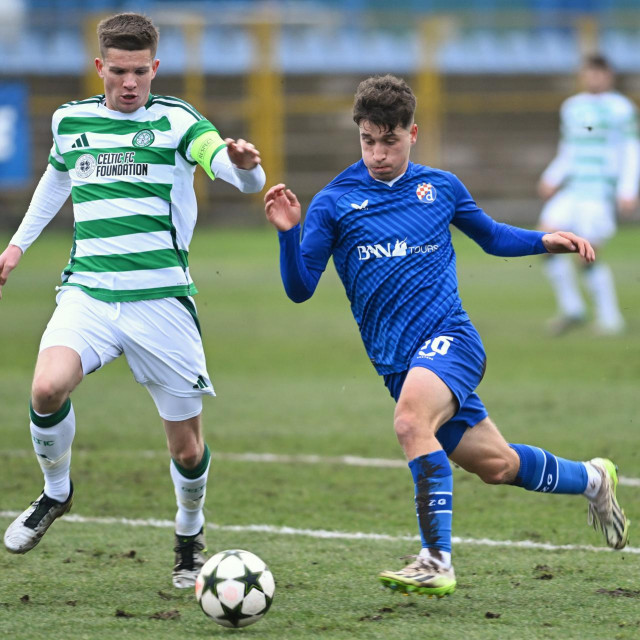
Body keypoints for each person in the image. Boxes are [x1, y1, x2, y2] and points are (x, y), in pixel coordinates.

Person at [264, 74, 629, 597]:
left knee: (411, 421)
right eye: (368, 140)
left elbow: (492, 236)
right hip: (397, 364)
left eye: (390, 140)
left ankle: (435, 559)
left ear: (413, 133)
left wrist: (545, 240)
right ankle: (595, 479)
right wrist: (288, 233)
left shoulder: (440, 188)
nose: (379, 153)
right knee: (499, 466)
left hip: (450, 340)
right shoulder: (333, 203)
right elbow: (300, 289)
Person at [0, 12, 265, 589]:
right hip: (88, 294)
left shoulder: (178, 121)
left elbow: (224, 165)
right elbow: (57, 178)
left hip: (161, 301)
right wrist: (16, 247)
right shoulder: (70, 122)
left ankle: (189, 533)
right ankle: (55, 493)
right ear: (100, 66)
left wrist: (247, 170)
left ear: (155, 68)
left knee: (187, 447)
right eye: (118, 71)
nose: (128, 83)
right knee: (46, 388)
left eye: (139, 72)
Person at [538, 53, 639, 336]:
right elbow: (569, 148)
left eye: (598, 72)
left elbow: (631, 151)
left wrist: (628, 189)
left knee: (586, 254)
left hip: (599, 190)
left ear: (609, 75)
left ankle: (611, 318)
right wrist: (552, 176)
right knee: (546, 239)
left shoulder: (621, 109)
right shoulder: (572, 107)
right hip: (574, 188)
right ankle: (573, 308)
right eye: (588, 72)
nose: (592, 77)